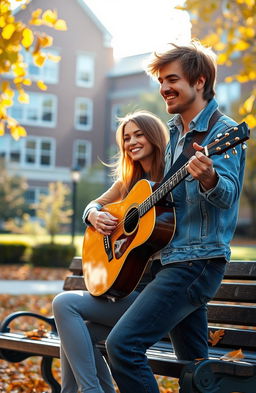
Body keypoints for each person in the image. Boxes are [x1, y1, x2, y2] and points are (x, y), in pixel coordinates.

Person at [104, 41, 247, 393]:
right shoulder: (171, 134)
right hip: (172, 261)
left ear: (199, 82)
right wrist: (97, 211)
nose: (164, 88)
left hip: (195, 263)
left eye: (172, 79)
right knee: (198, 371)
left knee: (122, 346)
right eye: (161, 81)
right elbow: (145, 192)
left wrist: (210, 177)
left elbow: (228, 196)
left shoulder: (221, 132)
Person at [52, 110, 169, 393]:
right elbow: (92, 205)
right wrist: (93, 215)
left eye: (139, 134)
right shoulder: (126, 185)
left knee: (64, 303)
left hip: (150, 300)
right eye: (126, 138)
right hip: (125, 295)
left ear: (154, 136)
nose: (131, 142)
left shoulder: (170, 178)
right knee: (78, 334)